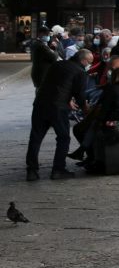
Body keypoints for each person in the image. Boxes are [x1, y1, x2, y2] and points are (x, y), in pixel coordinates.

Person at [26, 47, 91, 180]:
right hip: (58, 108)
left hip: (40, 103)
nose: (88, 65)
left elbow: (55, 84)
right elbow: (80, 95)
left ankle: (31, 171)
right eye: (89, 62)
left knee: (36, 137)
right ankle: (58, 169)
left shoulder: (57, 65)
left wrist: (67, 100)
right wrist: (86, 111)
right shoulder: (80, 72)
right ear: (83, 60)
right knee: (63, 138)